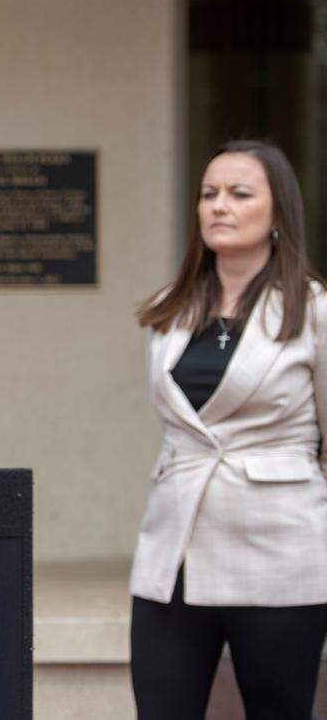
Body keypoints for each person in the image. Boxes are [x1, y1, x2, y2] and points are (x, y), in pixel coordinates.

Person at [130, 140, 327, 718]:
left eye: (240, 194)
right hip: (174, 545)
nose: (220, 206)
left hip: (280, 545)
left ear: (278, 213)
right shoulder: (172, 306)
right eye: (209, 194)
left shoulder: (313, 309)